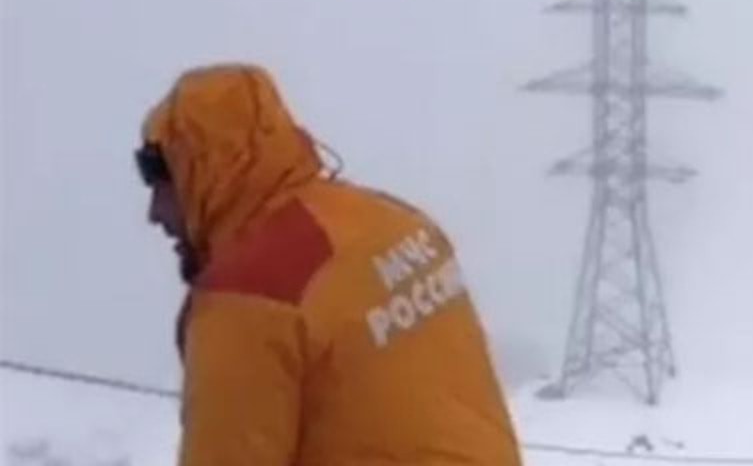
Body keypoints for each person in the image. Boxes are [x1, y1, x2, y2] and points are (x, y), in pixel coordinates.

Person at [136, 63, 522, 466]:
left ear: (200, 171)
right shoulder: (397, 224)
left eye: (163, 187)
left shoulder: (247, 297)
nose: (155, 213)